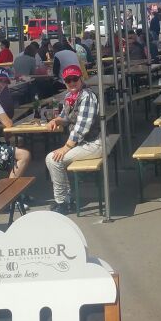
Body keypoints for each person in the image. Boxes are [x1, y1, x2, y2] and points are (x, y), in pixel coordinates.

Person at [45, 65, 102, 214]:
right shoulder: (70, 96)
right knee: (53, 159)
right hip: (84, 143)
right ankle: (66, 199)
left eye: (74, 79)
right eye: (68, 80)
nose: (72, 82)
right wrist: (55, 121)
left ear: (81, 79)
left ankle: (64, 202)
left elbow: (82, 127)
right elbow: (65, 117)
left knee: (53, 159)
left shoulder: (87, 96)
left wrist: (66, 148)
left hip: (94, 143)